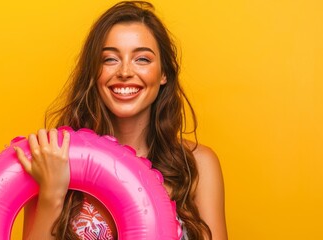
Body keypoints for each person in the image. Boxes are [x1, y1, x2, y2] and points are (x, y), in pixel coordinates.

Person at [14, 1, 227, 239]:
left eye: (142, 59)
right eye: (110, 59)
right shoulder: (55, 158)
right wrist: (52, 194)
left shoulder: (197, 165)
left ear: (164, 73)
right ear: (93, 73)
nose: (125, 72)